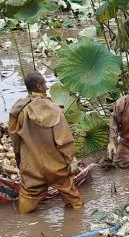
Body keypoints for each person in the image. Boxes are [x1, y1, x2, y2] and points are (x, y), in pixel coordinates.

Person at [8, 71, 84, 214]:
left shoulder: (18, 110)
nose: (47, 87)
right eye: (45, 84)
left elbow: (15, 138)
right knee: (73, 198)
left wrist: (19, 158)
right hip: (56, 164)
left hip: (32, 165)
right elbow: (64, 139)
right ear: (39, 86)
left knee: (27, 199)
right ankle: (77, 223)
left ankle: (26, 226)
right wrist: (71, 159)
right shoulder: (54, 109)